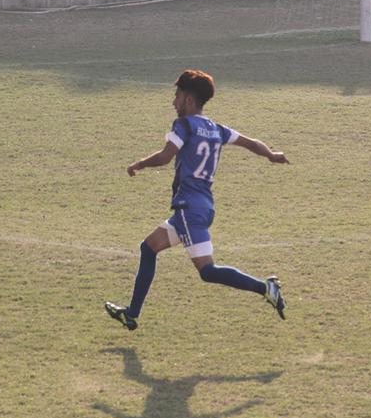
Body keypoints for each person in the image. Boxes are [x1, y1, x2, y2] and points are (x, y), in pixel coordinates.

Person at [105, 69, 289, 331]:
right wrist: (271, 154)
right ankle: (131, 314)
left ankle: (265, 288)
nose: (174, 102)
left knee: (207, 271)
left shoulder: (185, 126)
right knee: (149, 247)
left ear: (189, 99)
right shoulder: (216, 129)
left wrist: (139, 164)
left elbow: (165, 156)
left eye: (177, 96)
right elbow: (251, 143)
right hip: (201, 207)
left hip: (188, 210)